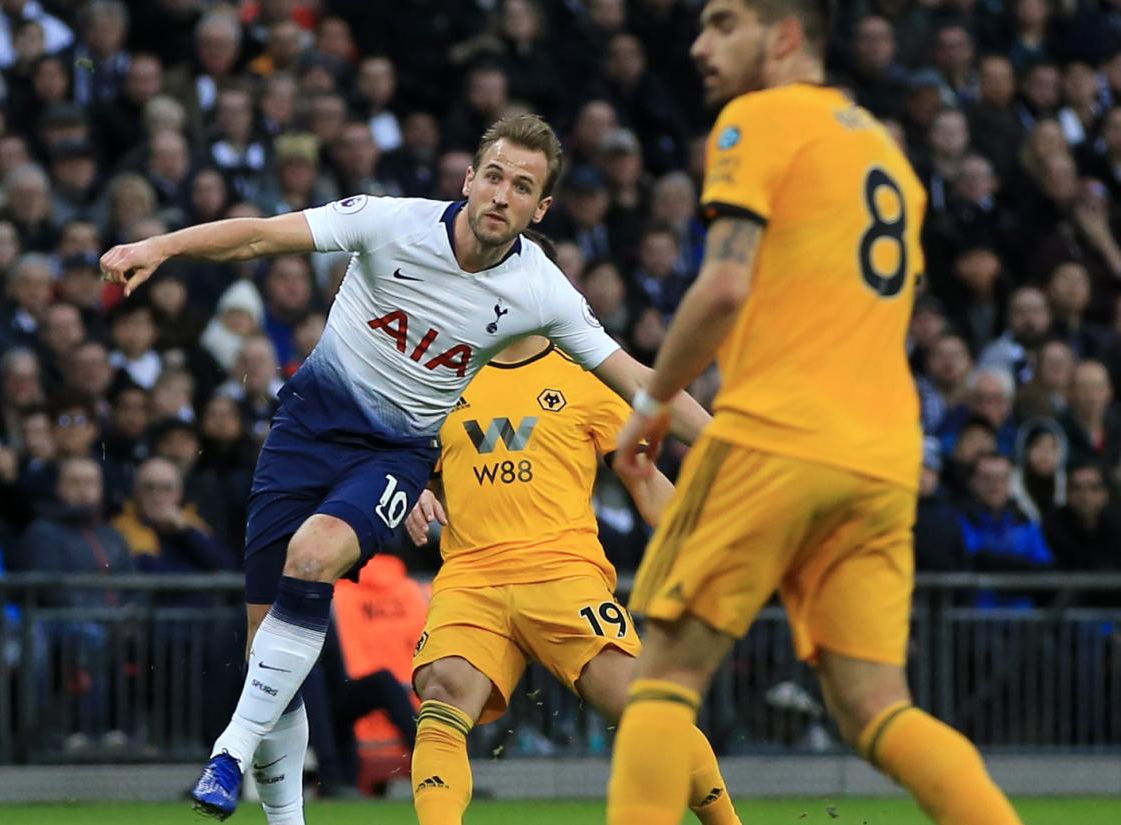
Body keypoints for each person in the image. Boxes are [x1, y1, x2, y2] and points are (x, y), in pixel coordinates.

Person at [100, 112, 710, 822]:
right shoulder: (391, 223)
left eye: (521, 187)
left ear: (540, 208)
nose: (501, 195)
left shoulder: (540, 290)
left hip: (397, 455)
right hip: (304, 431)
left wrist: (730, 444)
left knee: (314, 555)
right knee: (267, 649)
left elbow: (639, 380)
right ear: (468, 179)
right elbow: (262, 234)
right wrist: (161, 245)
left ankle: (229, 751)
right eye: (493, 176)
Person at [608, 1, 1019, 822]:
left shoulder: (758, 118)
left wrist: (651, 402)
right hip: (884, 457)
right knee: (877, 709)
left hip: (779, 432)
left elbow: (725, 284)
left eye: (724, 22)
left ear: (786, 35)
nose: (700, 45)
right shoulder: (889, 156)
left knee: (663, 677)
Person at [400, 336, 739, 824]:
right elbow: (405, 468)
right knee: (443, 693)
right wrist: (412, 489)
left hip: (563, 573)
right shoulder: (443, 375)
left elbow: (644, 480)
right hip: (471, 578)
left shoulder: (589, 373)